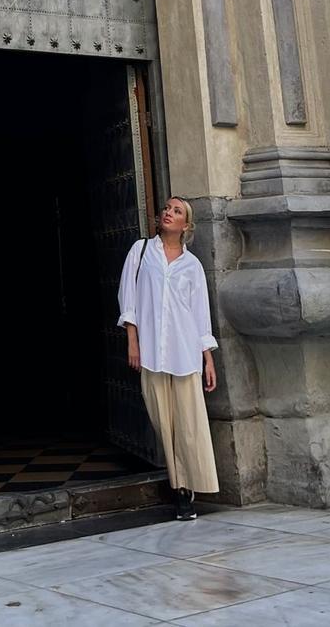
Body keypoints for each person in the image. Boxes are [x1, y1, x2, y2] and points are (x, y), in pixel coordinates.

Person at [118, 197, 220, 521]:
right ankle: (179, 484)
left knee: (190, 426)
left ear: (186, 225)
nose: (168, 213)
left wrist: (208, 358)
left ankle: (185, 492)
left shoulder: (192, 266)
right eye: (166, 208)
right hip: (151, 354)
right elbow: (128, 298)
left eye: (176, 211)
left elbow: (200, 314)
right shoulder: (141, 251)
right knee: (165, 424)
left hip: (185, 352)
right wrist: (133, 342)